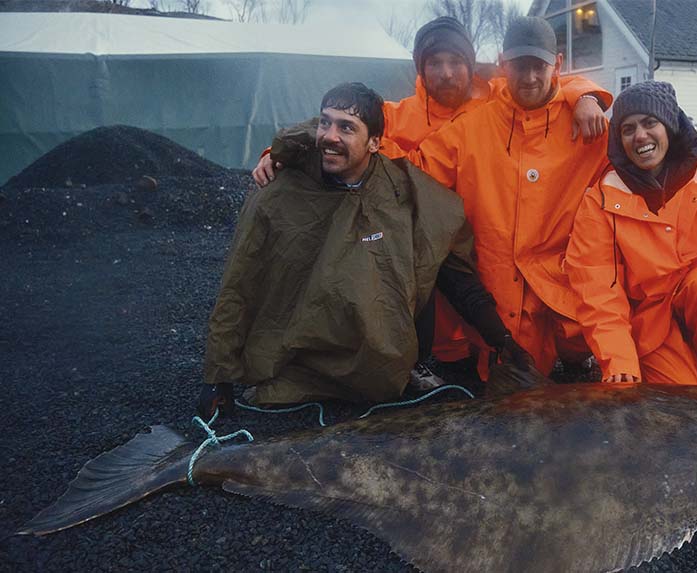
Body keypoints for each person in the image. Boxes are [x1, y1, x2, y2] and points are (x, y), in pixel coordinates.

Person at [251, 16, 610, 387]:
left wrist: (585, 95)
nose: (447, 73)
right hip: (448, 251)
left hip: (516, 266)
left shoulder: (506, 101)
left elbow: (556, 88)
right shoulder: (412, 116)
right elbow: (343, 123)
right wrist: (282, 149)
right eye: (435, 63)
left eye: (456, 63)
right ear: (420, 68)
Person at [197, 82, 530, 418]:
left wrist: (500, 340)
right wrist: (218, 377)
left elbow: (455, 275)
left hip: (382, 360)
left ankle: (405, 366)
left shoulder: (404, 192)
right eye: (325, 122)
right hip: (302, 355)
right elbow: (239, 284)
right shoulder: (280, 191)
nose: (330, 136)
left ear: (374, 143)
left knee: (427, 253)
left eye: (346, 128)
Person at [405, 17, 613, 377]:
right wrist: (323, 150)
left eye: (539, 66)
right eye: (519, 66)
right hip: (493, 296)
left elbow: (646, 155)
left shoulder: (588, 127)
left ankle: (577, 360)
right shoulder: (471, 127)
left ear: (558, 66)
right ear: (503, 63)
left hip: (562, 291)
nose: (529, 77)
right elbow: (409, 170)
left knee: (553, 385)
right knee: (508, 384)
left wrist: (587, 94)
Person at [565, 81, 697, 385]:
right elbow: (598, 290)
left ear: (669, 126)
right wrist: (619, 361)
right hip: (653, 329)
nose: (640, 135)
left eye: (650, 123)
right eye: (628, 129)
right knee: (680, 398)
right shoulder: (599, 201)